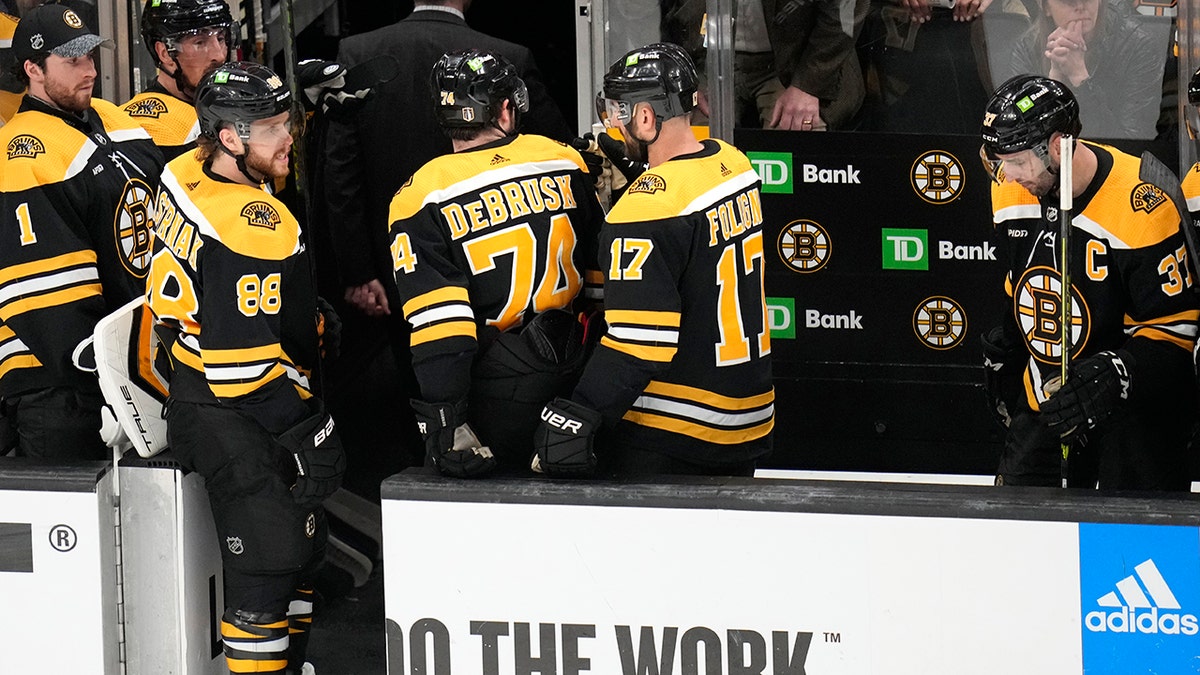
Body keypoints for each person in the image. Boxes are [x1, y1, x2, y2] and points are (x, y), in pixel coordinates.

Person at [145, 62, 345, 674]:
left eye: (287, 123)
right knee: (269, 564)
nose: (288, 139)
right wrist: (308, 432)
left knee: (304, 555)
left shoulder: (180, 169)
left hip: (193, 379)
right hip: (231, 404)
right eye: (272, 129)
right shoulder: (255, 225)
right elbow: (242, 372)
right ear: (229, 138)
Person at [531, 43, 775, 478]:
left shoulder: (644, 210)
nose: (612, 124)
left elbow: (639, 342)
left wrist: (577, 413)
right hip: (746, 419)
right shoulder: (732, 163)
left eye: (619, 113)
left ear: (646, 118)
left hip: (677, 429)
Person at [389, 49, 603, 477]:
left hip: (497, 390)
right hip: (577, 375)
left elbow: (441, 326)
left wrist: (445, 417)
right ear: (505, 109)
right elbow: (602, 279)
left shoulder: (419, 194)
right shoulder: (563, 157)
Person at [979, 74, 1198, 490]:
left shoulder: (1141, 200)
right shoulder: (1009, 191)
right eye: (1001, 161)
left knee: (1124, 544)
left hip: (1130, 418)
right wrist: (1008, 340)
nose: (1008, 175)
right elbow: (1019, 280)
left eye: (1020, 160)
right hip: (1047, 404)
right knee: (1017, 536)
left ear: (1060, 146)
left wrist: (1118, 371)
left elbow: (1176, 329)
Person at [322, 0, 572, 320]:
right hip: (502, 263)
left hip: (396, 266)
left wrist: (358, 271)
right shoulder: (508, 57)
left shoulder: (358, 52)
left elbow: (341, 172)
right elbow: (556, 154)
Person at [0, 3, 164, 460]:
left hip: (135, 368)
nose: (89, 70)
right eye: (72, 61)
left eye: (90, 56)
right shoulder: (23, 151)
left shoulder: (114, 119)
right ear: (32, 69)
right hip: (61, 389)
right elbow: (45, 298)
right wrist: (104, 378)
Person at [662, 0, 869, 131]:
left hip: (797, 61)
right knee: (689, 142)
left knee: (797, 141)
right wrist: (680, 76)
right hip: (706, 63)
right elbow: (646, 11)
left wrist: (808, 85)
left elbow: (846, 8)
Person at [1004, 0, 1167, 139]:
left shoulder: (1137, 46)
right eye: (1068, 1)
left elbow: (1133, 138)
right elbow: (1019, 130)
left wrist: (1079, 77)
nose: (1080, 6)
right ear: (1046, 7)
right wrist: (1054, 86)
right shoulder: (1027, 48)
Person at [121, 0, 233, 161]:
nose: (219, 55)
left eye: (221, 38)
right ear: (165, 52)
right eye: (200, 42)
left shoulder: (229, 106)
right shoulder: (144, 129)